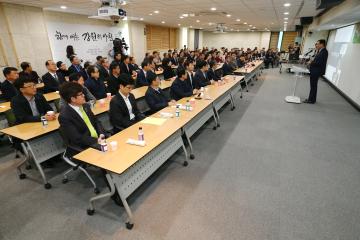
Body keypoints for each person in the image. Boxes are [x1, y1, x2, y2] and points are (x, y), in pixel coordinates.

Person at [59, 81, 105, 151]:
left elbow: (96, 121)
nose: (84, 95)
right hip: (86, 146)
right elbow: (77, 138)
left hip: (99, 140)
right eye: (81, 94)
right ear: (73, 99)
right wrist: (96, 141)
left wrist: (101, 133)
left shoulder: (86, 106)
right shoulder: (65, 116)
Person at [304, 39, 328, 104]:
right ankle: (312, 99)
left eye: (317, 44)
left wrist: (311, 62)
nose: (316, 45)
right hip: (314, 70)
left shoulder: (324, 52)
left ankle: (311, 100)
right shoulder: (320, 51)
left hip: (316, 71)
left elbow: (319, 62)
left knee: (313, 86)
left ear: (322, 44)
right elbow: (316, 60)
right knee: (313, 86)